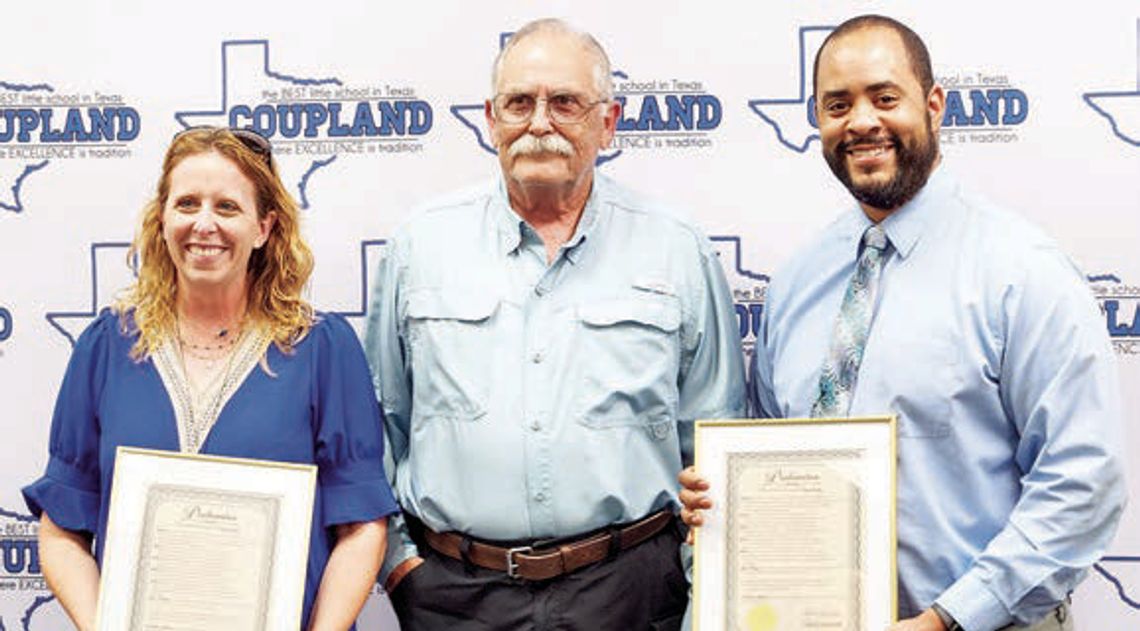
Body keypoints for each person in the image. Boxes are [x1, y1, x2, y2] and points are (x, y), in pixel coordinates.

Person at [679, 14, 1126, 631]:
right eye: (837, 104)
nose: (862, 121)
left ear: (934, 104)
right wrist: (726, 500)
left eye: (884, 98)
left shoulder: (1022, 272)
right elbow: (770, 456)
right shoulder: (796, 283)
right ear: (818, 121)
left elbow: (1082, 483)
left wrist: (948, 618)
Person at [364, 17, 746, 631]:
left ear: (608, 122)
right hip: (453, 598)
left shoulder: (677, 249)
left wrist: (698, 582)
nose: (540, 123)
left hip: (631, 593)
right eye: (520, 103)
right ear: (491, 120)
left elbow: (717, 442)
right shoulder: (420, 246)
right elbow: (378, 429)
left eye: (565, 102)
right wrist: (401, 567)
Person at [23, 127, 398, 631]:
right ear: (162, 219)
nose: (204, 224)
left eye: (227, 207)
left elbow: (361, 527)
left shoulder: (322, 349)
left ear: (264, 227)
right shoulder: (106, 346)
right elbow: (62, 531)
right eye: (187, 204)